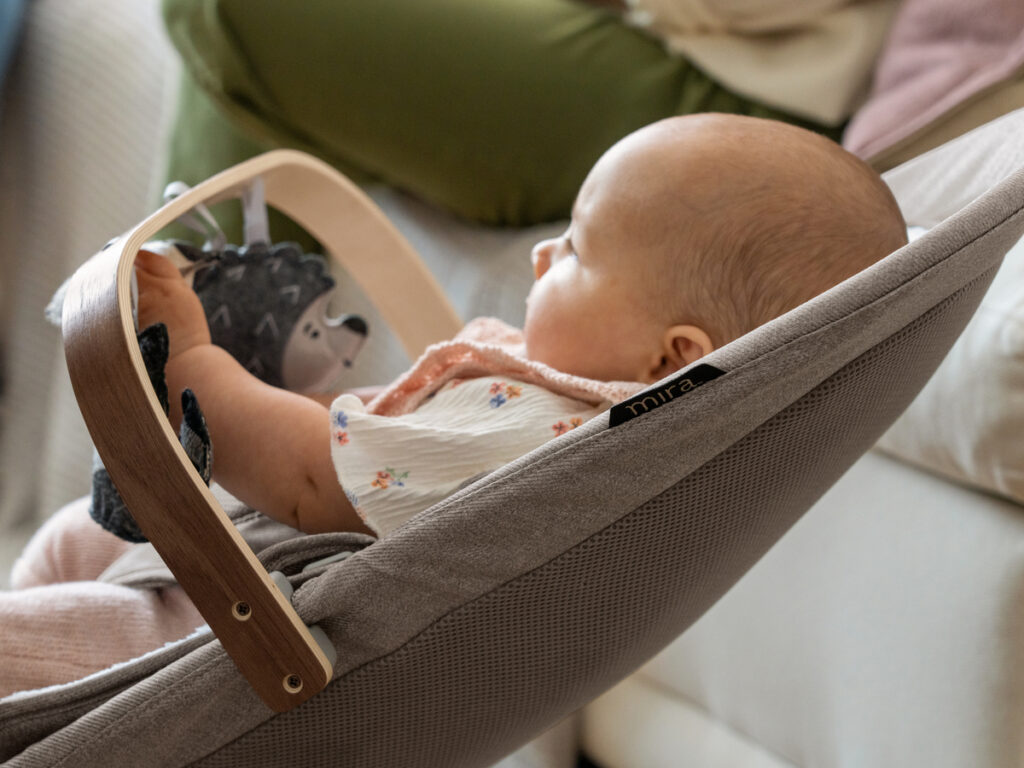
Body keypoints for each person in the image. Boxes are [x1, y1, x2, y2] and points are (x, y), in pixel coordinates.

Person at [0, 113, 907, 696]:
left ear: (668, 358)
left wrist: (191, 356)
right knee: (77, 540)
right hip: (224, 568)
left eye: (582, 252)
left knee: (35, 648)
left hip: (225, 635)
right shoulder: (580, 405)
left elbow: (316, 477)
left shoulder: (546, 439)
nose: (546, 254)